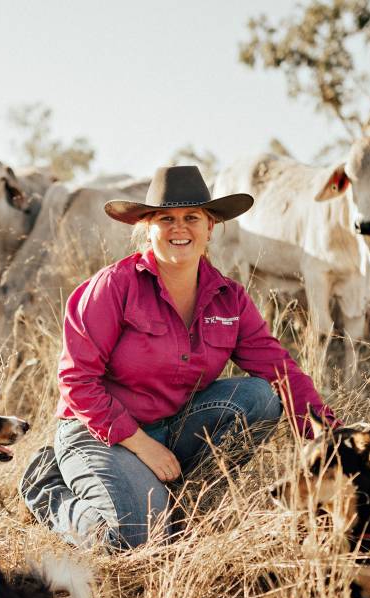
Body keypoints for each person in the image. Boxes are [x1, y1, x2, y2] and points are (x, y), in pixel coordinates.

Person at [19, 165, 338, 551]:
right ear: (146, 227)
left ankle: (187, 505)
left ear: (210, 228)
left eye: (192, 218)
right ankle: (48, 489)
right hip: (97, 434)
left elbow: (280, 371)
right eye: (165, 218)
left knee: (261, 398)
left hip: (172, 427)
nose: (179, 228)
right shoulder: (113, 286)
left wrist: (333, 438)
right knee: (138, 541)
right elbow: (76, 382)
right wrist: (141, 444)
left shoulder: (229, 297)